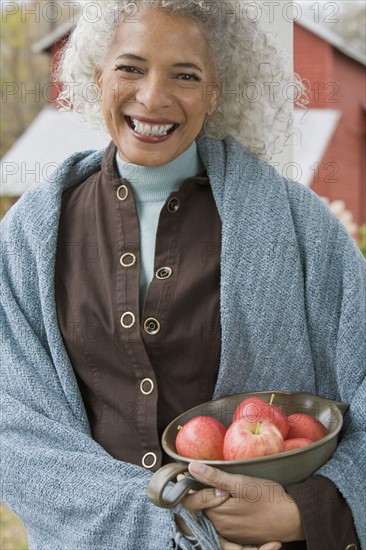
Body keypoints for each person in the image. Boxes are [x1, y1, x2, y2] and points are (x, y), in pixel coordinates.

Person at [1, 1, 364, 549]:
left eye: (186, 75)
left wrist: (305, 510)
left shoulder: (302, 229)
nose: (152, 97)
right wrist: (166, 523)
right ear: (97, 74)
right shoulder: (31, 236)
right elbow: (13, 421)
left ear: (216, 92)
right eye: (130, 67)